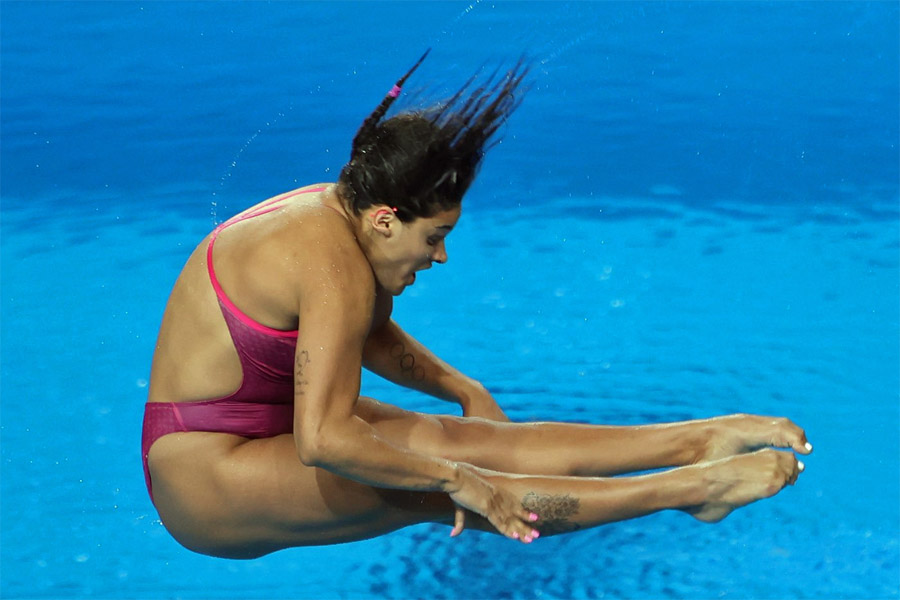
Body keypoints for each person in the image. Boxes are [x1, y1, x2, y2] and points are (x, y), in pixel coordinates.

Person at [142, 51, 812, 559]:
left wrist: (463, 390)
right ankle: (694, 489)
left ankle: (696, 439)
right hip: (207, 479)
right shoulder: (330, 262)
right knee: (446, 486)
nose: (439, 257)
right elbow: (324, 440)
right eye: (434, 237)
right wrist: (455, 477)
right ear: (386, 220)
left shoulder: (339, 209)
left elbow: (363, 338)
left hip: (263, 426)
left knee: (477, 440)